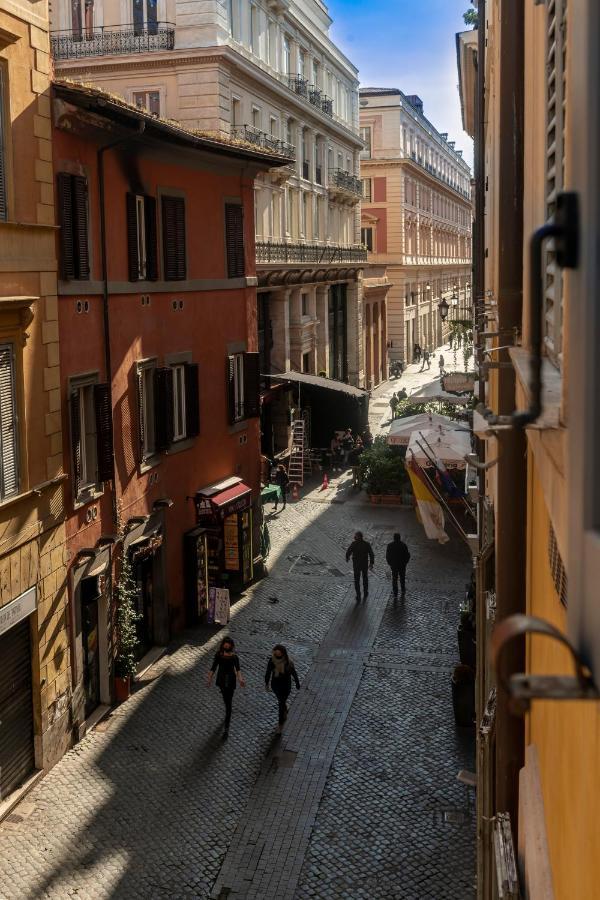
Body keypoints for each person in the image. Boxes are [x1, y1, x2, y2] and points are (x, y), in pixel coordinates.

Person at [207, 636, 245, 740]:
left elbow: (238, 670)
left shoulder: (234, 657)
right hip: (221, 680)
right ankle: (228, 709)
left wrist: (240, 679)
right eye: (225, 643)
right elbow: (213, 667)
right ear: (223, 645)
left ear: (231, 646)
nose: (226, 645)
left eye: (228, 644)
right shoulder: (219, 655)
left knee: (229, 703)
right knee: (225, 699)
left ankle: (226, 729)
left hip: (231, 680)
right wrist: (209, 678)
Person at [265, 644, 300, 734]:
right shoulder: (272, 661)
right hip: (276, 685)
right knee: (281, 702)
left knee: (281, 703)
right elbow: (268, 672)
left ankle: (282, 719)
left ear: (283, 653)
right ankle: (283, 712)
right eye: (276, 653)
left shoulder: (288, 662)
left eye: (279, 653)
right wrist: (266, 683)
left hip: (286, 686)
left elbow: (293, 672)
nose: (277, 655)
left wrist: (297, 683)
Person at [346, 531, 375, 602]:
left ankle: (358, 595)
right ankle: (365, 592)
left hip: (356, 565)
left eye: (355, 536)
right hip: (364, 564)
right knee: (365, 578)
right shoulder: (366, 544)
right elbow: (371, 554)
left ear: (358, 537)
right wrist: (371, 563)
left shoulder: (354, 544)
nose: (354, 537)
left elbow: (348, 551)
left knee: (357, 580)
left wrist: (347, 557)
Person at [385, 532, 411, 599]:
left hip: (394, 565)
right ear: (399, 538)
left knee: (394, 579)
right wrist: (405, 562)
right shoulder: (403, 545)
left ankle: (395, 592)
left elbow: (388, 556)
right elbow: (407, 555)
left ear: (394, 538)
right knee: (402, 578)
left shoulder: (390, 545)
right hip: (402, 565)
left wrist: (390, 563)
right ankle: (403, 590)